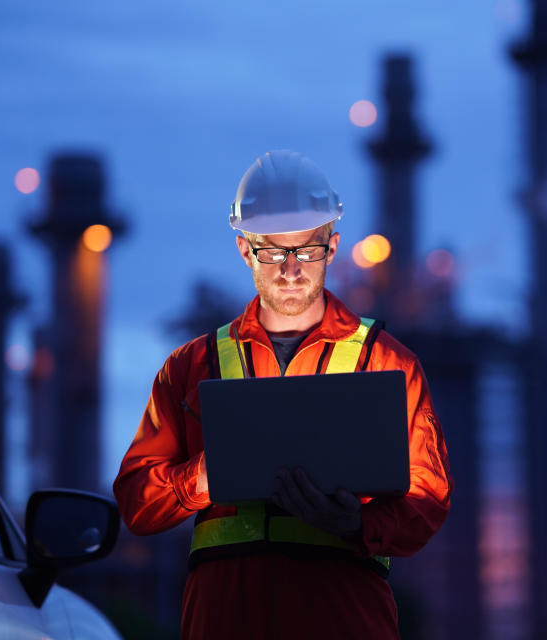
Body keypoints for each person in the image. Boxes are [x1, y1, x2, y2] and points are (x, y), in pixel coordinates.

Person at [113, 150, 452, 639]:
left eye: (307, 251)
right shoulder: (191, 367)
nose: (291, 270)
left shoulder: (389, 363)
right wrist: (201, 479)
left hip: (343, 615)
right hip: (224, 617)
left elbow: (429, 500)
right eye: (272, 251)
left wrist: (358, 522)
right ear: (244, 250)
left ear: (332, 248)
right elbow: (136, 504)